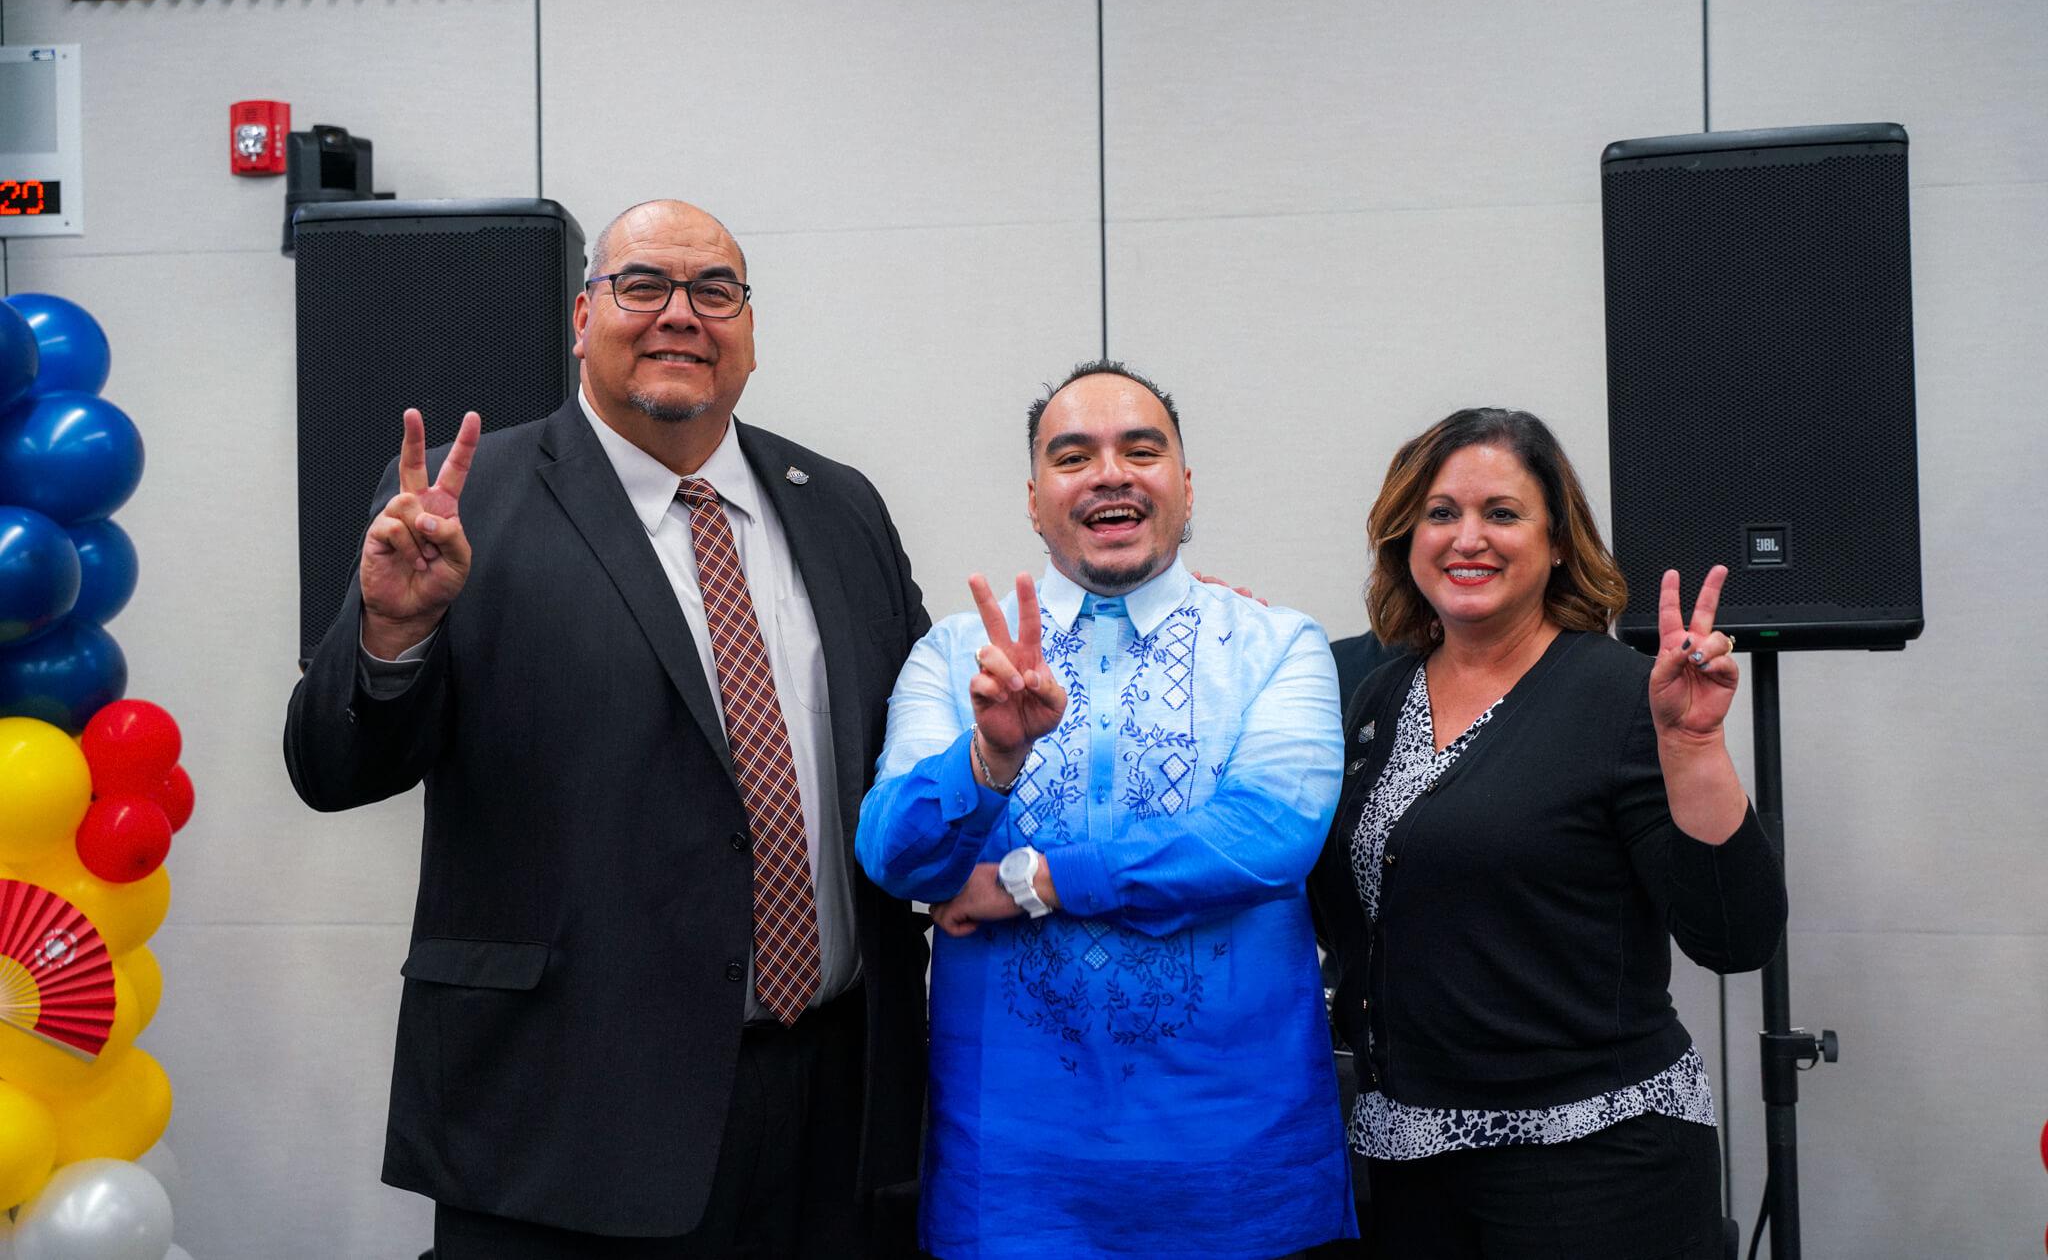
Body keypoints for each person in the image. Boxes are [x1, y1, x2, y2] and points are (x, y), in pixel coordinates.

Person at [283, 200, 930, 1258]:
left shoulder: (839, 505)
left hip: (832, 1113)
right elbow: (330, 768)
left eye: (713, 290)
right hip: (568, 1121)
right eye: (643, 286)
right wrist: (392, 634)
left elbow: (915, 748)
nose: (680, 314)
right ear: (583, 317)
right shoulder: (468, 503)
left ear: (749, 333)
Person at [855, 362, 1357, 1259]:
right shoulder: (956, 656)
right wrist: (991, 756)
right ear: (1037, 499)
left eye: (1142, 448)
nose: (1110, 473)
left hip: (1240, 1171)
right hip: (1011, 1182)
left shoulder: (1277, 646)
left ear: (1186, 483)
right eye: (1074, 455)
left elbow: (1267, 839)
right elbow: (896, 855)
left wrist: (1031, 880)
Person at [1307, 406, 1788, 1259]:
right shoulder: (1377, 698)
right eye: (1441, 513)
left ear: (1558, 541)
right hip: (1411, 1171)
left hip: (1593, 1173)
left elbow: (1733, 932)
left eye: (1502, 513)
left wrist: (1695, 746)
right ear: (1404, 535)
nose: (1468, 539)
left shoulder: (1620, 696)